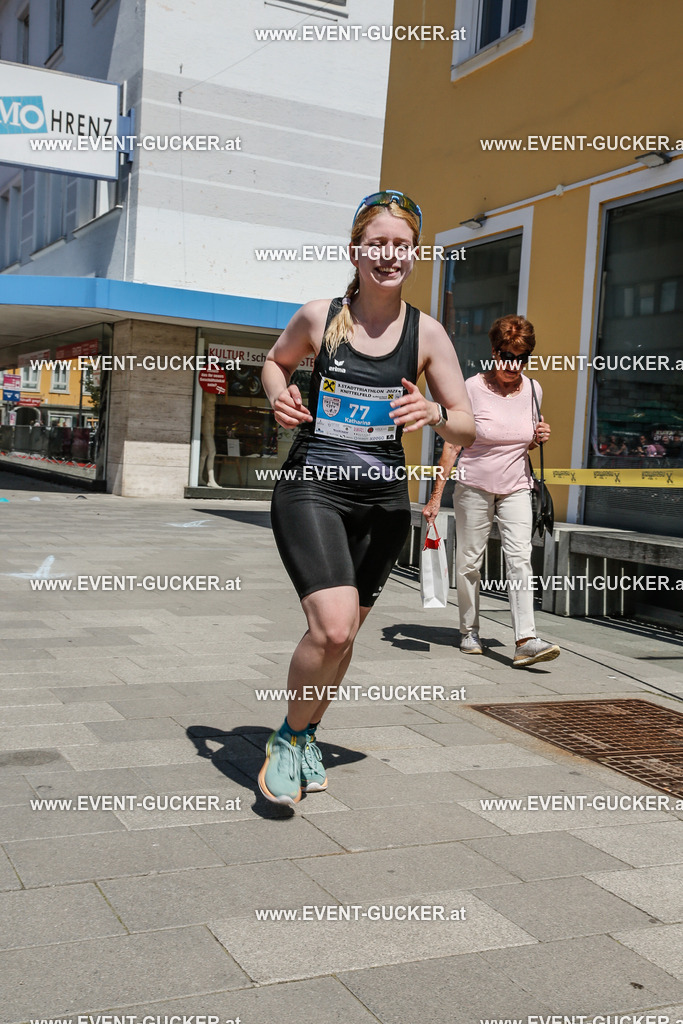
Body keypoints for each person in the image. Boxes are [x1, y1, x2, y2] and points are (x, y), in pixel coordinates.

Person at [258, 190, 476, 806]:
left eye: (401, 246)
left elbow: (467, 425)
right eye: (377, 244)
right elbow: (274, 364)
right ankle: (286, 737)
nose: (388, 256)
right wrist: (279, 394)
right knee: (328, 628)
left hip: (382, 503)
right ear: (356, 250)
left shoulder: (427, 334)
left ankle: (308, 735)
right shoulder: (318, 317)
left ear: (415, 254)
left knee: (346, 637)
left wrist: (434, 412)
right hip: (313, 488)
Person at [423, 314, 560, 668]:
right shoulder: (471, 388)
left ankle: (525, 639)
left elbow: (518, 444)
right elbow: (453, 445)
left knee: (520, 558)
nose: (513, 365)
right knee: (470, 561)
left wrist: (536, 439)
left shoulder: (533, 389)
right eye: (506, 355)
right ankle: (469, 630)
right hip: (473, 484)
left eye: (521, 357)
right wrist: (436, 497)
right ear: (494, 352)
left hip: (516, 486)